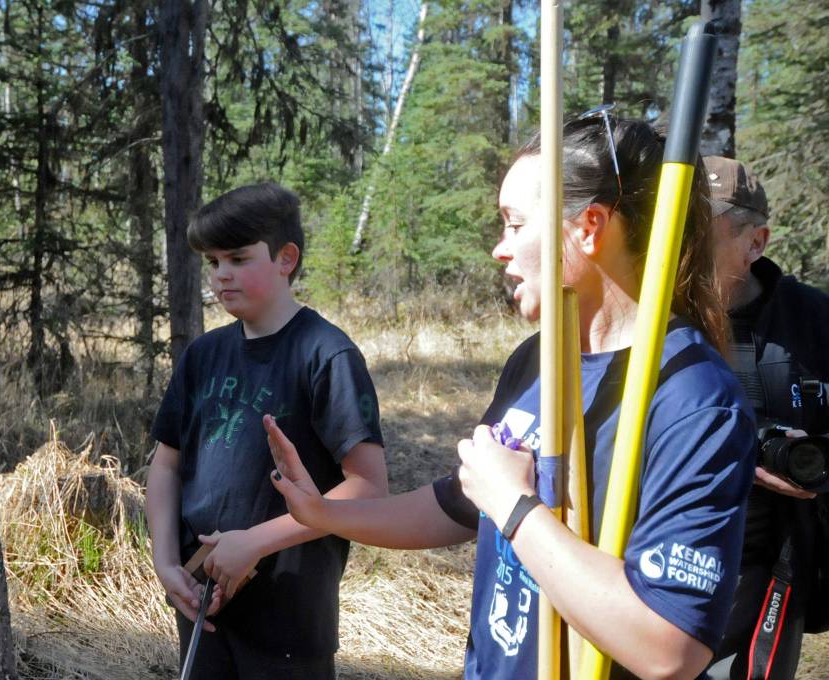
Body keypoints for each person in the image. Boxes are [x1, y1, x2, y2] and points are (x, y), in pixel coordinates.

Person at [264, 118, 757, 679]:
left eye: (516, 223)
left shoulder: (693, 398)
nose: (500, 249)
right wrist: (324, 513)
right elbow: (459, 503)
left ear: (589, 227)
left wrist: (515, 506)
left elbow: (670, 648)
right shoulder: (537, 358)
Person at [145, 182, 388, 679]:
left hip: (289, 616)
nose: (221, 274)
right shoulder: (202, 356)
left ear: (285, 258)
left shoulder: (327, 355)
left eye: (238, 258)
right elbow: (165, 465)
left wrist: (254, 542)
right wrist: (166, 562)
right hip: (201, 601)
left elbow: (368, 487)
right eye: (213, 262)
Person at [703, 156, 829, 680]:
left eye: (701, 232)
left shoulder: (814, 321)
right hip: (665, 556)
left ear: (756, 242)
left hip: (779, 567)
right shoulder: (646, 317)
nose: (684, 248)